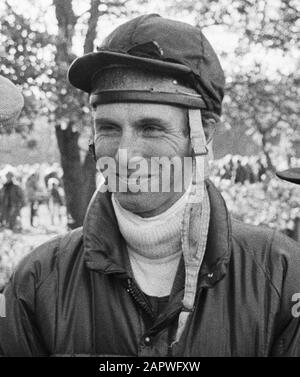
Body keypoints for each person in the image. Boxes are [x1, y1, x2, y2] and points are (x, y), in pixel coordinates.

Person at [0, 14, 300, 357]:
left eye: (151, 128)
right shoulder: (37, 281)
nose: (125, 156)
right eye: (109, 128)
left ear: (205, 135)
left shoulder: (283, 275)